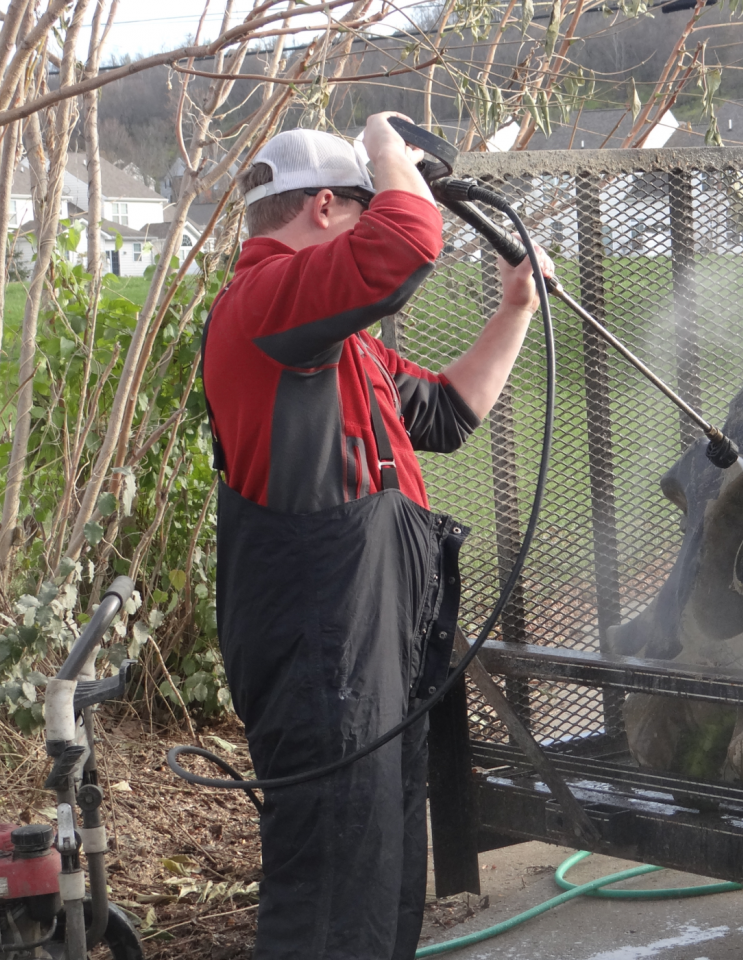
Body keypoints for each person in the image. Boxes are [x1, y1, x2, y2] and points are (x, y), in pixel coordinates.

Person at [201, 112, 552, 959]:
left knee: (382, 875)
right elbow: (399, 248)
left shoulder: (330, 342)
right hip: (321, 645)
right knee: (329, 891)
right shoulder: (264, 303)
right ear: (324, 208)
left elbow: (445, 412)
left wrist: (515, 310)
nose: (374, 214)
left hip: (371, 645)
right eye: (363, 203)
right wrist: (388, 148)